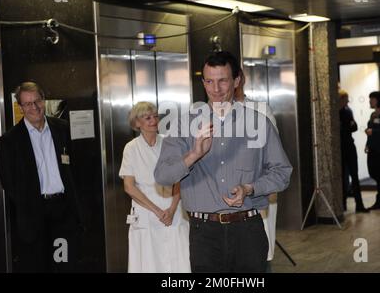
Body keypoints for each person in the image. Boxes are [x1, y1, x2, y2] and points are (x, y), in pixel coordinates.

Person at [154, 51, 292, 273]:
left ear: (237, 80)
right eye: (209, 81)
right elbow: (162, 176)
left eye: (222, 81)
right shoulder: (182, 125)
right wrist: (194, 155)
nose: (215, 89)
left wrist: (250, 188)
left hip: (248, 230)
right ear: (203, 82)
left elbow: (282, 172)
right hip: (204, 234)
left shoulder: (259, 123)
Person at [0, 81, 81, 272]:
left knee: (65, 265)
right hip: (33, 215)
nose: (34, 107)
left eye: (37, 101)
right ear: (20, 107)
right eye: (27, 103)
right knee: (37, 266)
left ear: (43, 100)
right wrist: (27, 205)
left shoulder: (62, 128)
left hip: (63, 212)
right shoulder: (10, 140)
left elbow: (75, 167)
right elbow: (8, 181)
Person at [119, 101, 190, 273]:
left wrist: (172, 209)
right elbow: (129, 187)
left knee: (178, 261)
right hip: (147, 212)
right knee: (149, 263)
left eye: (155, 116)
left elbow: (180, 178)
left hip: (173, 210)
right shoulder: (131, 148)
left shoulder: (169, 143)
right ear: (137, 123)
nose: (153, 120)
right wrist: (157, 211)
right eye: (147, 118)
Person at [234, 69, 280, 267]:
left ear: (240, 80)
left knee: (259, 250)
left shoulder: (261, 109)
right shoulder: (210, 113)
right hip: (224, 194)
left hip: (256, 186)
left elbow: (272, 150)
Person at [339, 90, 369, 213]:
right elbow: (347, 127)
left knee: (354, 176)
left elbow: (354, 127)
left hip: (349, 146)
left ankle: (359, 204)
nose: (347, 101)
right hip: (340, 147)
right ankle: (342, 203)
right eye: (345, 99)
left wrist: (347, 125)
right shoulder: (337, 112)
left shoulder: (348, 111)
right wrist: (348, 125)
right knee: (342, 177)